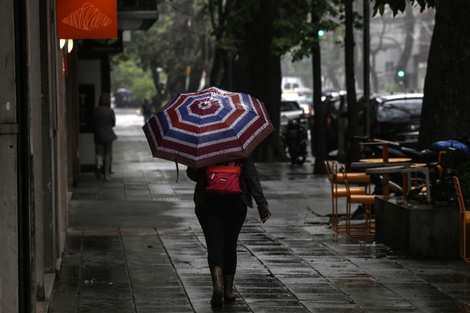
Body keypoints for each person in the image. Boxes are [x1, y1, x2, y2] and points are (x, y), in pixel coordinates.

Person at [186, 156, 271, 307]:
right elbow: (251, 175)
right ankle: (228, 290)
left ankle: (217, 286)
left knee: (214, 245)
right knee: (230, 245)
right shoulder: (240, 146)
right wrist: (262, 205)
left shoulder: (204, 146)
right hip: (236, 202)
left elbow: (193, 175)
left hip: (208, 202)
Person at [93, 92, 117, 181]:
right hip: (108, 135)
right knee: (107, 154)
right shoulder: (110, 111)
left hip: (98, 134)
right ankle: (106, 174)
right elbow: (113, 123)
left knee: (99, 152)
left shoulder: (96, 110)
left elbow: (92, 122)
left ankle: (98, 166)